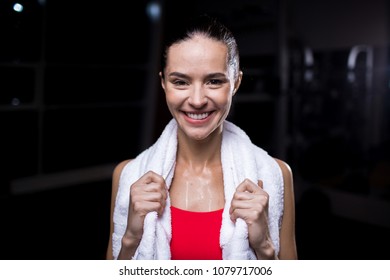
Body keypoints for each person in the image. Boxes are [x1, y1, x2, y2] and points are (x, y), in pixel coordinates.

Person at [106, 14, 297, 260]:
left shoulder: (276, 174)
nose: (197, 100)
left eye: (214, 81)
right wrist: (131, 238)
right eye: (181, 82)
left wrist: (265, 248)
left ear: (236, 83)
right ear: (164, 83)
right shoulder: (127, 175)